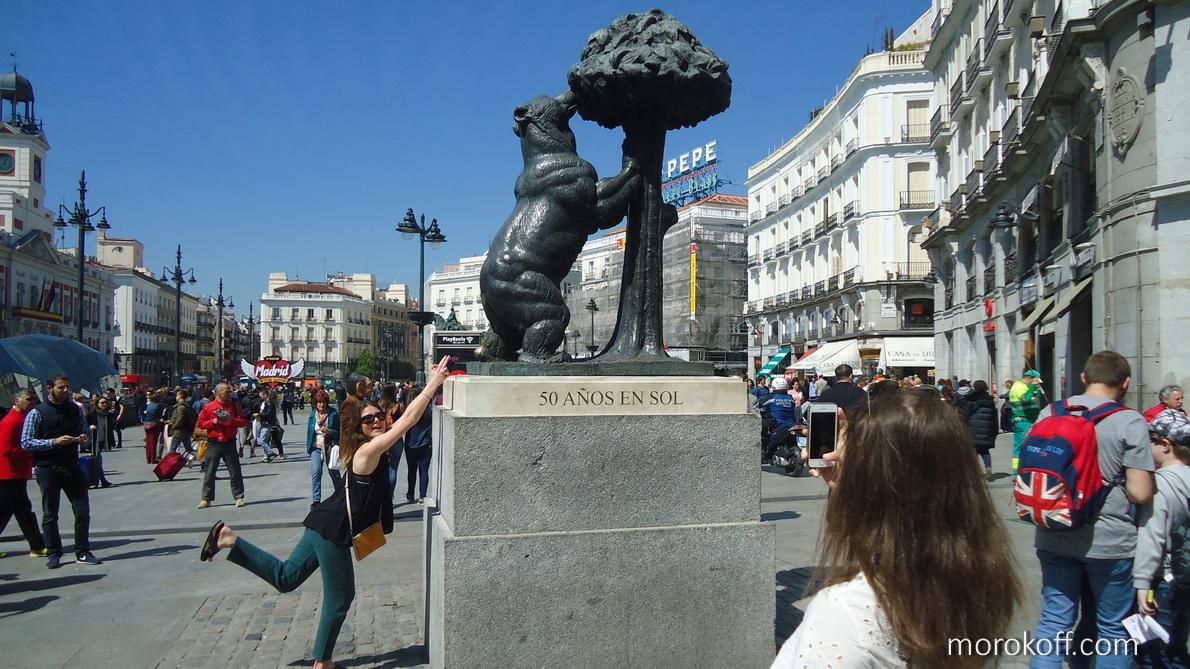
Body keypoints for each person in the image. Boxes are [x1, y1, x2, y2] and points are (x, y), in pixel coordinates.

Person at [197, 356, 452, 669]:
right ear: (358, 428)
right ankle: (323, 663)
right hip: (333, 529)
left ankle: (229, 539)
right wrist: (433, 384)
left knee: (286, 578)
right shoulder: (366, 452)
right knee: (341, 596)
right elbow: (408, 421)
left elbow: (399, 421)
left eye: (378, 417)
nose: (376, 421)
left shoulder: (369, 449)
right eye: (368, 420)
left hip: (323, 522)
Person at [773, 385, 1021, 669]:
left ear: (870, 478)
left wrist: (852, 489)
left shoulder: (847, 611)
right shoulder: (978, 583)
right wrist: (850, 484)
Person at [1029, 351, 1154, 669]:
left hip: (1054, 531)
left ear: (1084, 378)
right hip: (1110, 541)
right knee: (1113, 628)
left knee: (1054, 622)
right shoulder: (1130, 420)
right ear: (1126, 383)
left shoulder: (1049, 412)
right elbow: (1140, 493)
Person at [20, 374, 103, 568]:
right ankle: (53, 552)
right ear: (50, 389)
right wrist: (53, 442)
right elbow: (26, 441)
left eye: (67, 387)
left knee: (82, 510)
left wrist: (83, 438)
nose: (65, 391)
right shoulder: (38, 412)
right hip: (47, 467)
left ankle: (82, 550)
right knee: (50, 513)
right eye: (61, 387)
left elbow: (85, 431)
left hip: (71, 465)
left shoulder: (75, 409)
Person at [1135, 409, 1190, 669]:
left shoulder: (1160, 485)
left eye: (1151, 441)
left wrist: (1142, 583)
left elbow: (1152, 536)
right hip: (1186, 576)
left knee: (1151, 650)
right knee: (1178, 645)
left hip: (1164, 578)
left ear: (1166, 445)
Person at [0, 388, 48, 558]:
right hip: (9, 473)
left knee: (5, 509)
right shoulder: (12, 421)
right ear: (17, 401)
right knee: (23, 510)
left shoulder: (22, 418)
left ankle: (37, 545)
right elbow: (5, 450)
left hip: (16, 472)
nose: (32, 402)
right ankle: (37, 545)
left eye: (34, 399)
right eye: (28, 399)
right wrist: (30, 451)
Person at [195, 383, 249, 509]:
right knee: (209, 471)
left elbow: (243, 422)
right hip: (214, 442)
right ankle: (206, 499)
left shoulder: (235, 406)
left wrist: (232, 421)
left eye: (230, 391)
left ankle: (239, 497)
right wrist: (213, 422)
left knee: (235, 471)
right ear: (218, 392)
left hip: (229, 442)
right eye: (227, 391)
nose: (230, 394)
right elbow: (201, 424)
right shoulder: (208, 407)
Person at [955, 380, 998, 481]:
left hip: (972, 428)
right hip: (987, 428)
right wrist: (994, 431)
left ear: (975, 387)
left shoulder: (971, 399)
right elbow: (994, 417)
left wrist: (961, 425)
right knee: (985, 451)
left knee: (972, 451)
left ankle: (973, 472)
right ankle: (988, 468)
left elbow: (965, 415)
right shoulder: (990, 400)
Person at [401, 385, 434, 503]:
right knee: (424, 470)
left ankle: (410, 493)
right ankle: (422, 496)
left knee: (411, 470)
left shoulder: (408, 410)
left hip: (411, 443)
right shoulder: (429, 409)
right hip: (426, 443)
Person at [307, 392, 340, 507]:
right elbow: (309, 432)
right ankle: (316, 500)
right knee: (316, 472)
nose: (321, 405)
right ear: (315, 404)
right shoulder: (313, 415)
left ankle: (340, 496)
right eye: (319, 402)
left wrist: (330, 432)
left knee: (334, 472)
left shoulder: (333, 414)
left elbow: (339, 432)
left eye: (323, 402)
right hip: (316, 447)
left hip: (329, 447)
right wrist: (309, 448)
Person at [1009, 370, 1045, 474]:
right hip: (1024, 421)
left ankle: (1017, 472)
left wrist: (1036, 390)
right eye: (1035, 381)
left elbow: (1033, 399)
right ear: (1029, 379)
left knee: (1019, 447)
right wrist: (1033, 386)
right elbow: (1026, 398)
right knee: (1028, 445)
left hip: (1026, 420)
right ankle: (1025, 471)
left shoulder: (1025, 387)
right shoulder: (1019, 387)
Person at [761, 377, 798, 464]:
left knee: (762, 428)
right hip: (790, 423)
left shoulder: (771, 397)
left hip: (776, 424)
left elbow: (760, 404)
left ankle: (765, 450)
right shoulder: (790, 398)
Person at [85, 396, 116, 488]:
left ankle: (96, 481)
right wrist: (90, 427)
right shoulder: (92, 414)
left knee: (97, 461)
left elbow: (110, 429)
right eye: (102, 403)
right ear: (97, 404)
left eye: (106, 402)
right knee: (97, 461)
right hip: (93, 440)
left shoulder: (107, 414)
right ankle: (101, 480)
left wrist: (112, 442)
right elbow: (83, 424)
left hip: (102, 440)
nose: (104, 404)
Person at [168, 389, 197, 460]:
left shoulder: (181, 407)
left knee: (172, 449)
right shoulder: (187, 406)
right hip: (186, 430)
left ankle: (170, 463)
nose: (176, 397)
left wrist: (174, 426)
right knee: (189, 448)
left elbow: (180, 418)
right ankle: (203, 460)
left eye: (177, 395)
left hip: (179, 431)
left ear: (180, 396)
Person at [141, 389, 168, 465]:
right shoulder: (158, 406)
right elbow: (162, 413)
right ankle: (153, 458)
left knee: (148, 442)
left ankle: (148, 458)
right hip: (154, 424)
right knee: (153, 442)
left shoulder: (149, 405)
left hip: (146, 424)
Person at [255, 388, 282, 462]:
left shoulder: (269, 402)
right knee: (265, 440)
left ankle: (270, 453)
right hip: (266, 422)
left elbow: (269, 413)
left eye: (261, 396)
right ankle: (266, 457)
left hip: (267, 423)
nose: (260, 398)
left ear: (265, 395)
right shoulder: (266, 402)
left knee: (261, 441)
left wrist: (259, 415)